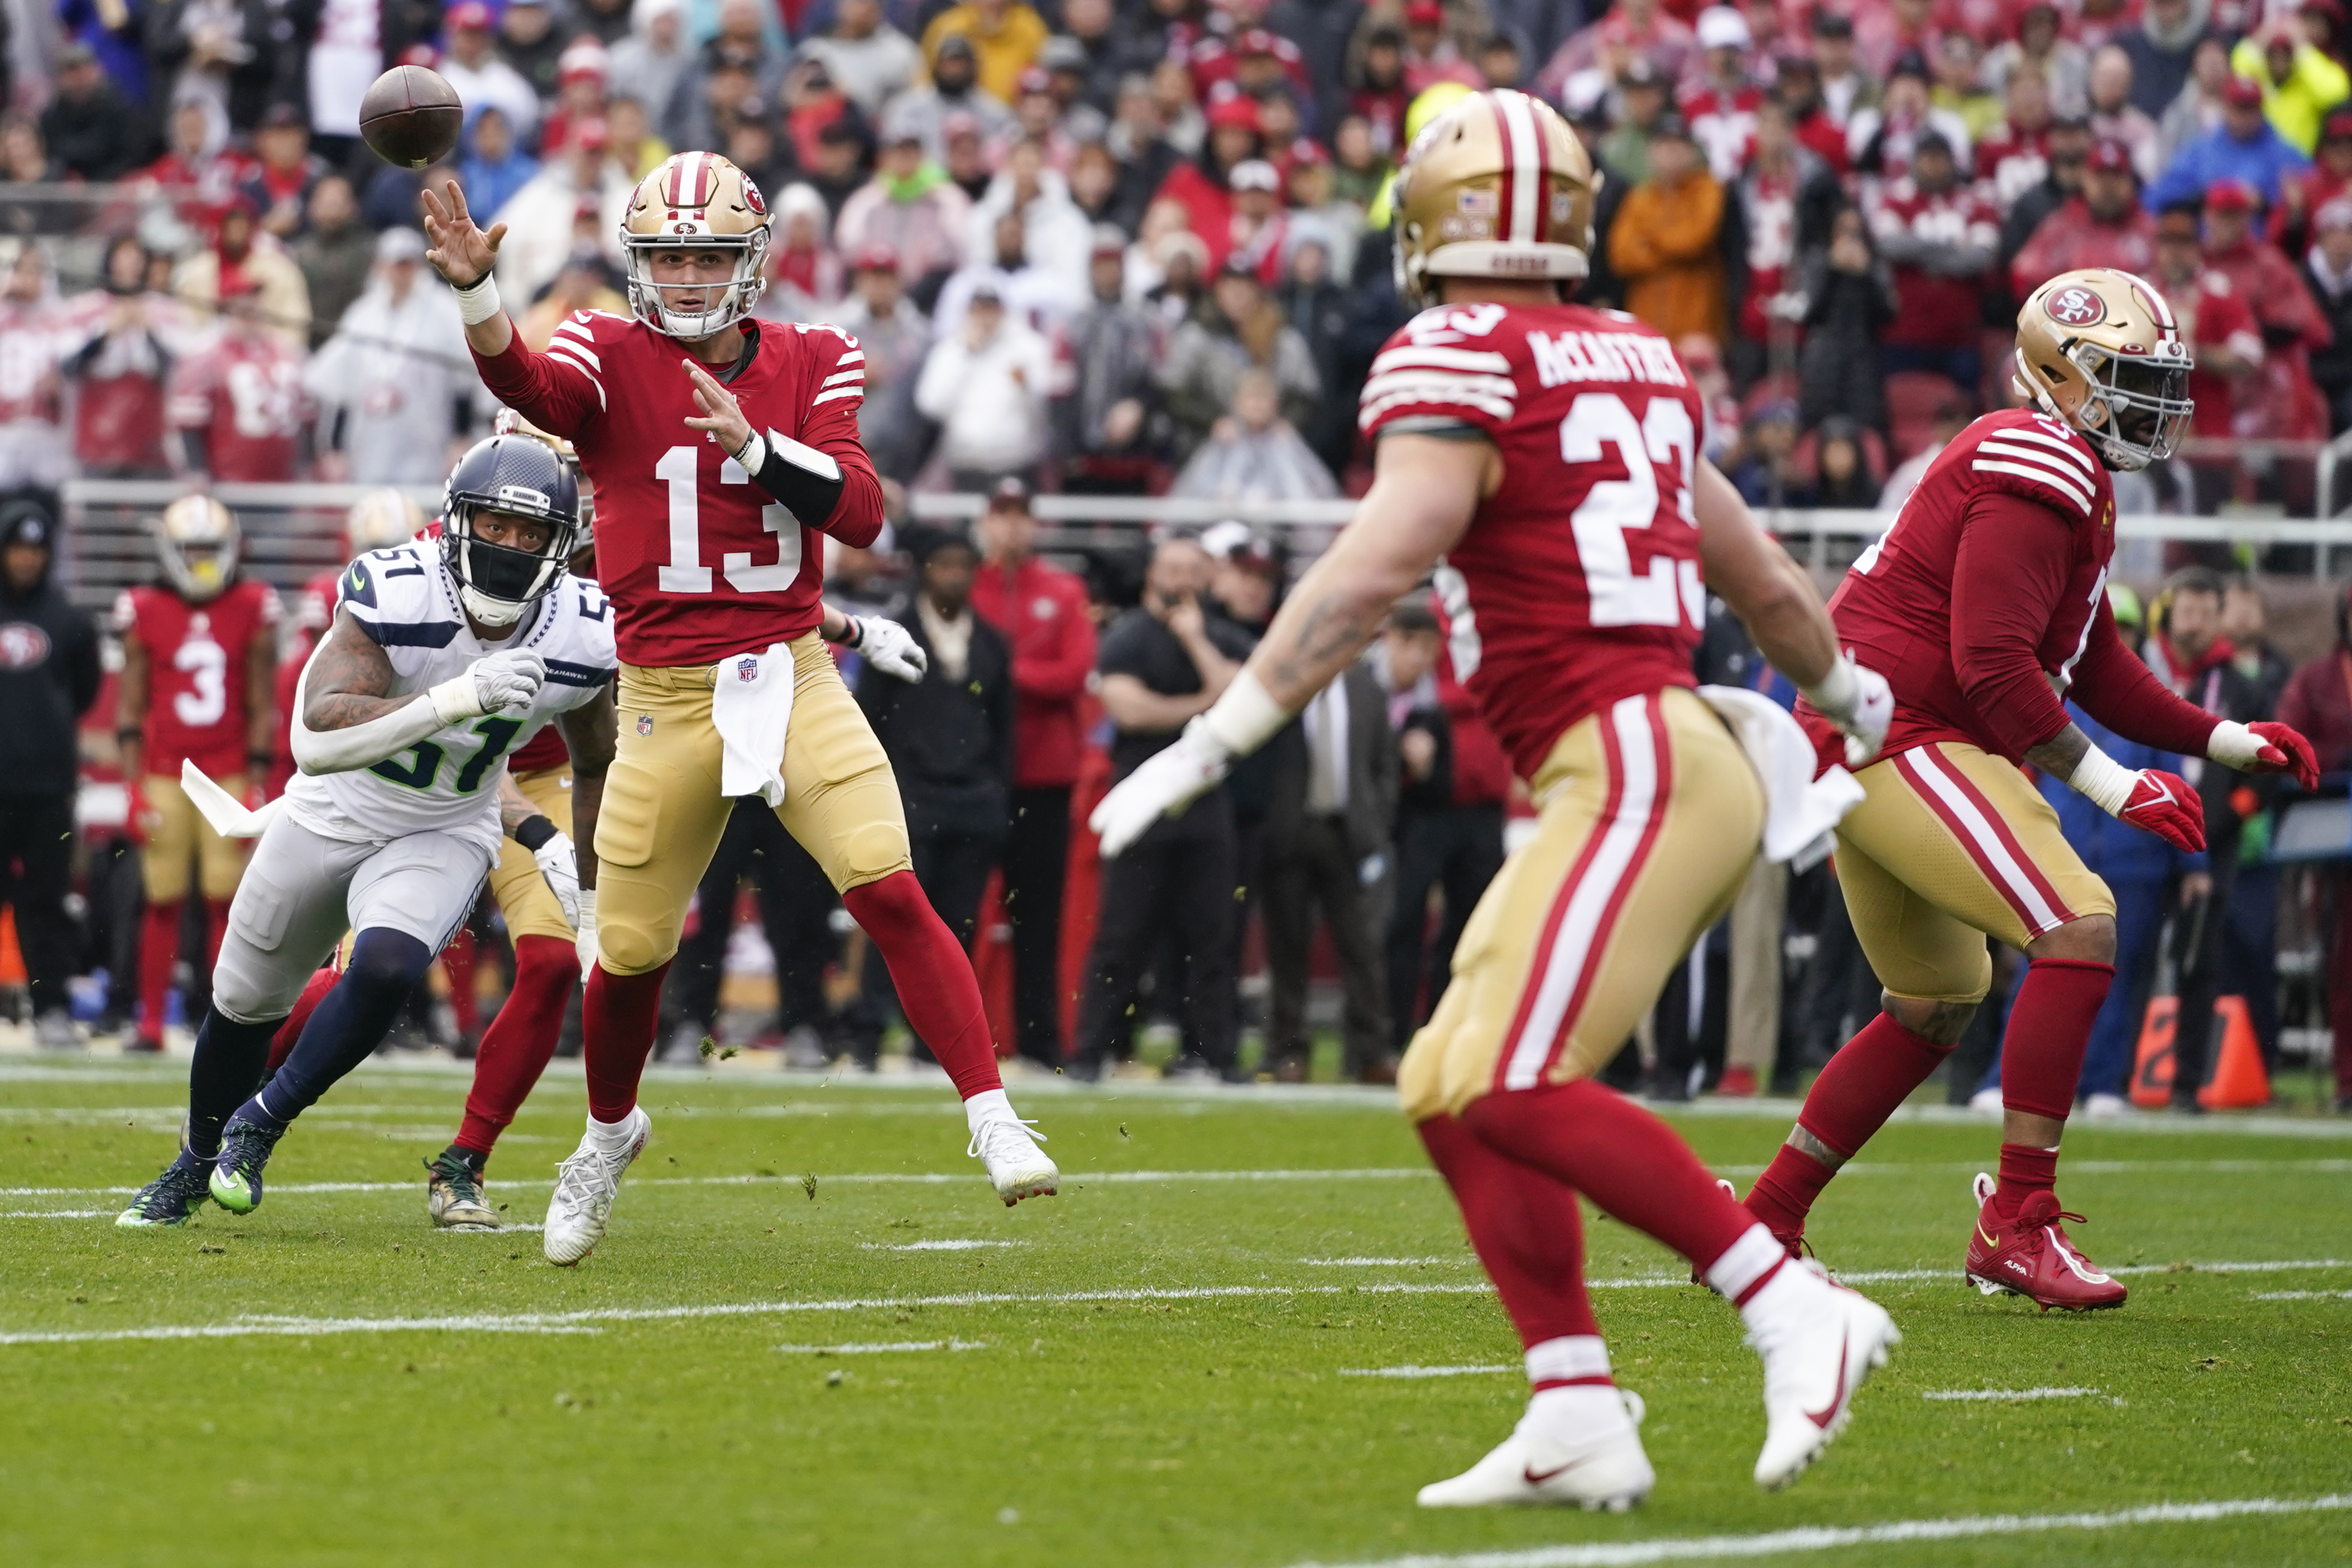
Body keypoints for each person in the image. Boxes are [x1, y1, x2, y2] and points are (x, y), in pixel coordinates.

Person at [1092, 88, 1899, 1504]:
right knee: (1445, 1081)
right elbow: (1764, 579)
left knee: (1517, 1079)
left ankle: (1789, 1302)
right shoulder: (1634, 355)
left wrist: (1219, 734)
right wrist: (1844, 693)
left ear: (1435, 219)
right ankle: (1576, 1404)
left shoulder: (1454, 350)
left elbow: (1371, 568)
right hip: (1650, 751)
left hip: (1634, 756)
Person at [423, 152, 1057, 1264]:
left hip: (789, 671)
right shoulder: (603, 347)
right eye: (664, 253)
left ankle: (991, 1113)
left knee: (887, 883)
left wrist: (760, 450)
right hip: (663, 694)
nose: (680, 274)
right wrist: (480, 296)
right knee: (624, 956)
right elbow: (531, 391)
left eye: (705, 253)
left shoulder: (815, 356)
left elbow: (860, 512)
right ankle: (608, 1134)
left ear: (750, 261)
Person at [1734, 269, 2319, 1311]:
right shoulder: (2032, 459)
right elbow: (1991, 666)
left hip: (1875, 728)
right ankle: (2014, 1223)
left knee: (1933, 1003)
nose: (2154, 402)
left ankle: (1764, 1222)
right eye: (2129, 379)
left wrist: (2220, 738)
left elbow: (2089, 664)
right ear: (2061, 374)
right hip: (1896, 727)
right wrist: (2109, 785)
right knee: (2077, 923)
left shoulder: (2066, 467)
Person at [113, 438, 615, 1228]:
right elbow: (317, 732)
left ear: (561, 543)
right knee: (243, 1002)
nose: (509, 547)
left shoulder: (580, 631)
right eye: (493, 523)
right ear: (457, 521)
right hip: (333, 807)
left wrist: (584, 882)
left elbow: (596, 758)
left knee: (387, 964)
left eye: (529, 534)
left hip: (446, 822)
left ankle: (261, 1122)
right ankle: (193, 1160)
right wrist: (453, 699)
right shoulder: (398, 589)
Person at [1076, 533, 1254, 1082]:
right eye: (1170, 567)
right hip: (1140, 800)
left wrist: (1197, 642)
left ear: (1205, 577)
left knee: (1211, 936)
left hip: (1204, 804)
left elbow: (1243, 704)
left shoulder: (1221, 636)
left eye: (1190, 569)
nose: (1179, 579)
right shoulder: (1128, 636)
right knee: (1122, 932)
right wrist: (1204, 706)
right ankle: (1088, 1052)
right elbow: (1129, 710)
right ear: (1152, 572)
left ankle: (1213, 1055)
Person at [114, 497, 280, 1055]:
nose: (203, 561)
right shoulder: (143, 606)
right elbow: (131, 704)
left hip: (229, 768)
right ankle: (152, 1022)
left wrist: (258, 777)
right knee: (161, 897)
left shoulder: (253, 603)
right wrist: (132, 785)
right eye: (193, 550)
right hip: (165, 769)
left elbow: (260, 701)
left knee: (224, 900)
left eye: (210, 549)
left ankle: (219, 1024)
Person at [969, 479, 1095, 1069]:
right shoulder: (968, 585)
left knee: (1038, 917)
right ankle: (946, 1042)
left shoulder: (1062, 590)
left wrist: (998, 673)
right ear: (986, 523)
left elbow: (1072, 672)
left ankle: (1040, 1041)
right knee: (955, 912)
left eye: (1021, 515)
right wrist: (1020, 673)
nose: (1011, 527)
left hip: (1043, 775)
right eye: (1002, 515)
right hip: (973, 771)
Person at [858, 528, 1014, 1001]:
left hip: (973, 798)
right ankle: (870, 1026)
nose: (954, 575)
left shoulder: (991, 642)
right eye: (944, 564)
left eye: (963, 566)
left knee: (959, 921)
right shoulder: (893, 638)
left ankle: (940, 1037)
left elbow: (1006, 728)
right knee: (896, 916)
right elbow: (870, 718)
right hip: (909, 796)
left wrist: (996, 796)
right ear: (924, 570)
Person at [1377, 595, 1506, 1061]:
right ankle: (1389, 1038)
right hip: (1427, 803)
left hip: (1485, 803)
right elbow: (1413, 686)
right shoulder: (1436, 617)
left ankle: (1448, 1034)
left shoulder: (1502, 609)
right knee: (1404, 921)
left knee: (1472, 929)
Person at [1261, 640, 1397, 1084]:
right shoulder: (1282, 684)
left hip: (1348, 834)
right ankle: (1287, 1051)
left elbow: (1384, 763)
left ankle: (1371, 1053)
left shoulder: (1366, 688)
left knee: (1362, 947)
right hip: (1288, 830)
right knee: (1287, 946)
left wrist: (1374, 820)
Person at [0, 507, 102, 1048]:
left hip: (47, 791)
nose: (26, 558)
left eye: (36, 550)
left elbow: (83, 691)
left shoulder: (69, 618)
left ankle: (53, 1007)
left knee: (47, 904)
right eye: (17, 547)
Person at [305, 228, 476, 487]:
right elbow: (340, 387)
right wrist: (336, 448)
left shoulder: (444, 313)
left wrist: (461, 437)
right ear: (382, 266)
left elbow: (465, 381)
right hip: (370, 444)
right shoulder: (364, 315)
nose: (402, 273)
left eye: (408, 265)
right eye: (397, 265)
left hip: (428, 443)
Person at [913, 282, 1053, 489]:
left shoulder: (1029, 348)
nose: (986, 317)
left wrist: (1026, 385)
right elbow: (930, 406)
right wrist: (967, 355)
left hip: (1015, 465)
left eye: (991, 309)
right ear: (969, 312)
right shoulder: (951, 350)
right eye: (980, 310)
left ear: (1004, 312)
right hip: (966, 467)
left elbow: (1049, 409)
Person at [1607, 115, 1727, 345]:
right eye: (1663, 145)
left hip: (1695, 326)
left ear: (1692, 152)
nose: (1671, 153)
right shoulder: (1640, 196)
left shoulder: (1707, 189)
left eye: (1678, 145)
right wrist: (1668, 247)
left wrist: (1649, 238)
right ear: (1650, 152)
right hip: (1645, 323)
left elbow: (1692, 242)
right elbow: (1622, 256)